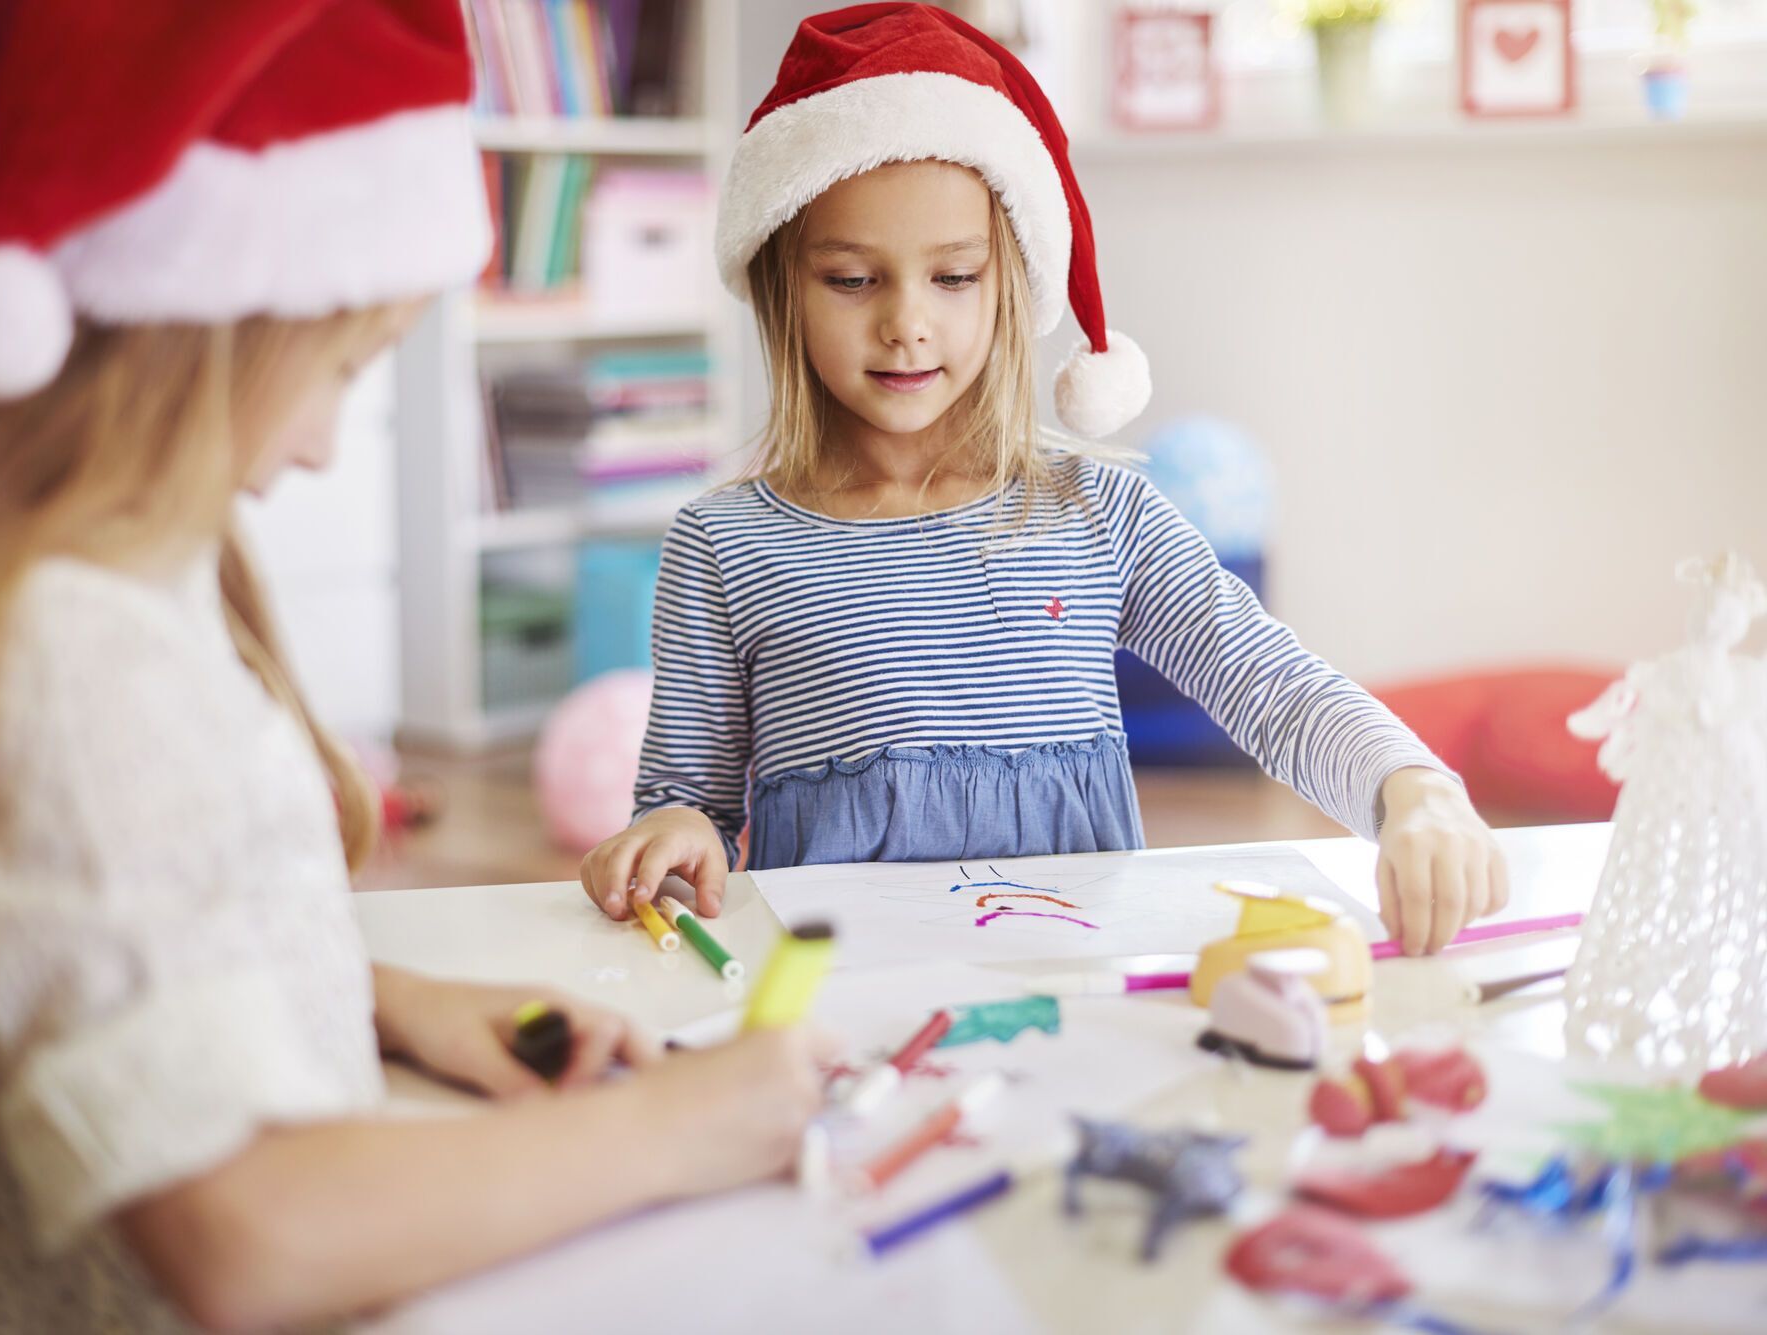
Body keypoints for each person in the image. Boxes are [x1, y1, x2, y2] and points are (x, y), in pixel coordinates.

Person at [0, 4, 823, 1331]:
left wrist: (395, 1003)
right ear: (181, 328)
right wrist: (684, 1125)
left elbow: (87, 954)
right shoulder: (55, 658)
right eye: (338, 365)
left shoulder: (82, 577)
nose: (327, 442)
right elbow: (246, 1230)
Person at [581, 3, 1507, 959]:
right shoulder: (724, 542)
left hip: (1077, 998)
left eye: (954, 278)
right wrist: (679, 829)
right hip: (834, 1010)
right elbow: (682, 800)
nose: (907, 323)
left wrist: (1415, 788)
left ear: (1012, 284)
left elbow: (1274, 687)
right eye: (854, 279)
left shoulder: (1103, 511)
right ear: (784, 287)